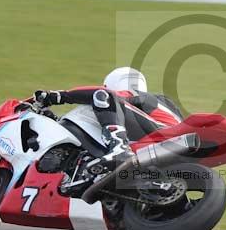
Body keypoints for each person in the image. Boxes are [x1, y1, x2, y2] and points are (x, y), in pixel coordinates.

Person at [32, 67, 183, 170]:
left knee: (102, 96)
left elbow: (103, 93)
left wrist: (60, 96)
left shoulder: (138, 96)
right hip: (171, 147)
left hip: (162, 136)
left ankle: (119, 147)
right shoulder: (161, 104)